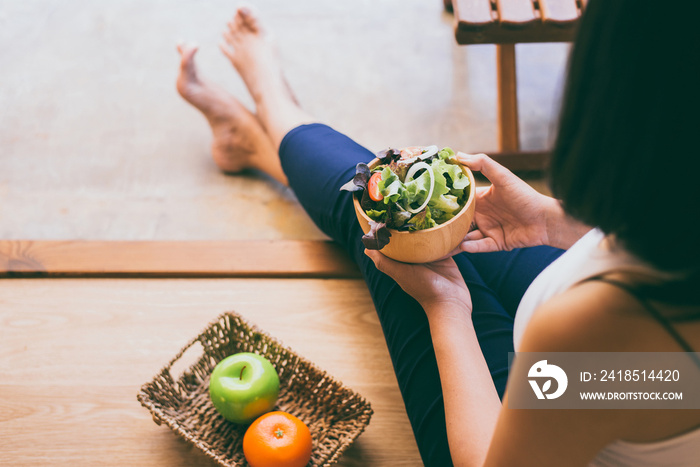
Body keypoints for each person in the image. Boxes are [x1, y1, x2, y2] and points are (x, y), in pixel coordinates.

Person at [175, 1, 700, 465]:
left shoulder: (587, 337)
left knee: (377, 227)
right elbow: (656, 383)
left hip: (517, 433)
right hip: (601, 386)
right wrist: (552, 222)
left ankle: (270, 105)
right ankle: (255, 136)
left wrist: (447, 306)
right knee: (411, 219)